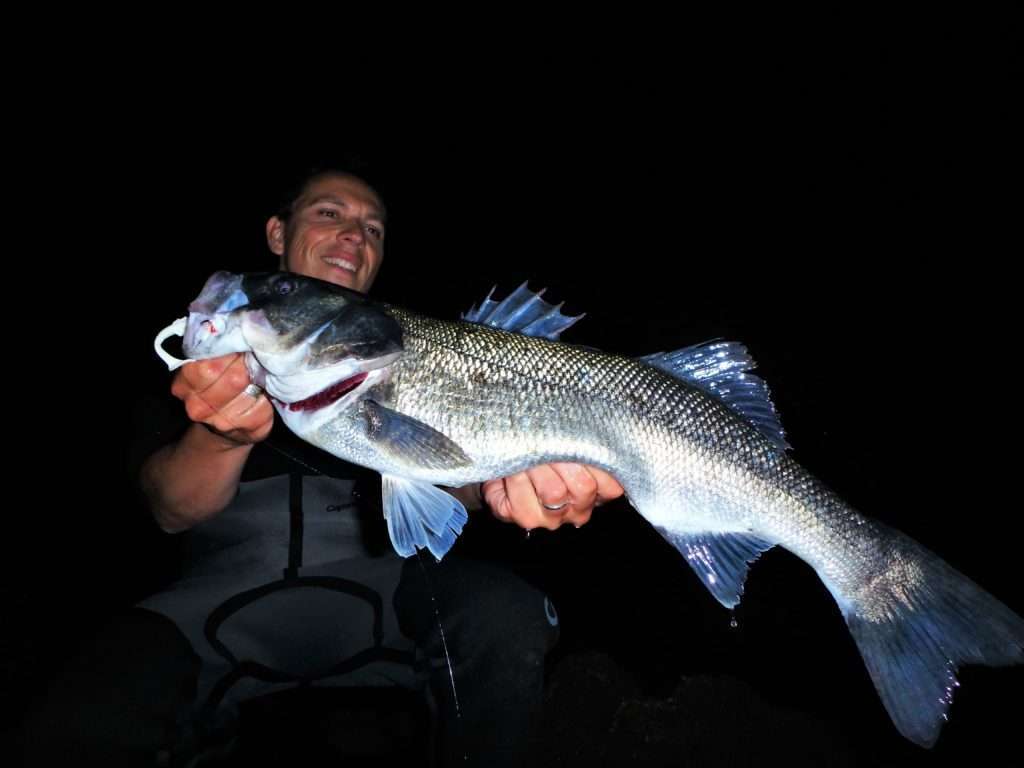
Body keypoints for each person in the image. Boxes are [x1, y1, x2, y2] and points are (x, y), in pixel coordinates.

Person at [23, 167, 623, 767]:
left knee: (505, 614)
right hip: (217, 604)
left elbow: (451, 481)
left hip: (382, 597)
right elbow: (169, 509)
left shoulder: (414, 347)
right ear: (277, 232)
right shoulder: (194, 362)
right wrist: (220, 433)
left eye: (374, 229)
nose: (355, 237)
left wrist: (510, 488)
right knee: (85, 701)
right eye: (329, 214)